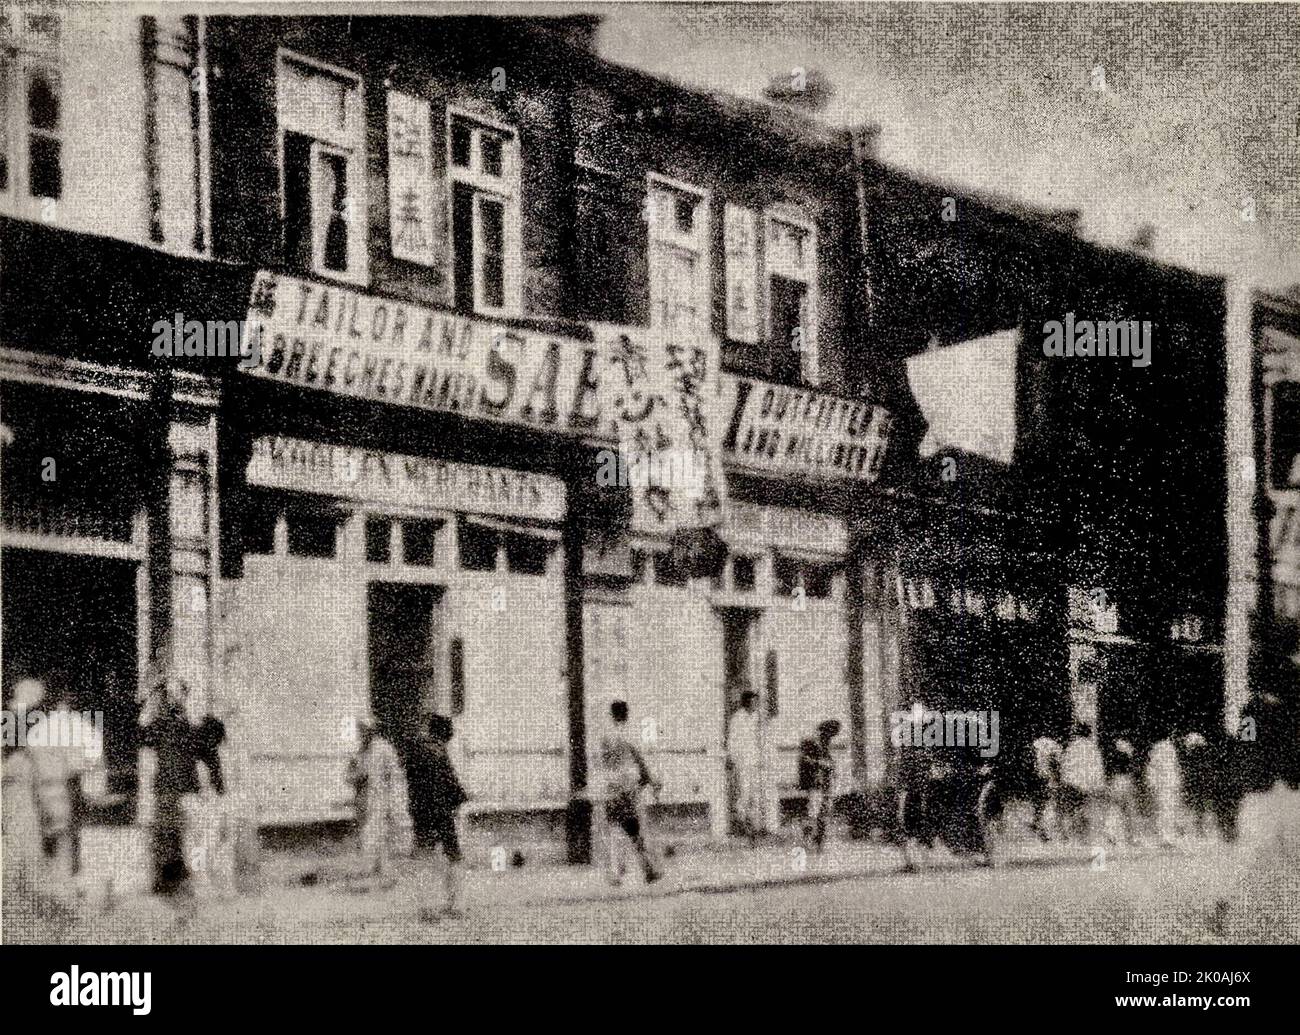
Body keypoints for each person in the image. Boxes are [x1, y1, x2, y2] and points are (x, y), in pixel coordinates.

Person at [402, 714, 469, 920]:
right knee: (453, 857)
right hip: (442, 813)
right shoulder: (440, 753)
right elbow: (452, 785)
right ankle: (455, 905)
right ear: (445, 734)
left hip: (422, 813)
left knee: (423, 858)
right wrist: (460, 798)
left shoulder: (414, 751)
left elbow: (410, 784)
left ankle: (426, 908)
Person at [597, 699, 662, 886]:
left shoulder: (606, 736)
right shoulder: (629, 734)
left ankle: (626, 871)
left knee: (617, 827)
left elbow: (602, 762)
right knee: (632, 828)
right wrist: (650, 780)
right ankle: (645, 868)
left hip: (612, 786)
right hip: (628, 786)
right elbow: (640, 760)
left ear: (612, 715)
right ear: (626, 715)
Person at [347, 713, 409, 886]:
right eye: (360, 730)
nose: (362, 733)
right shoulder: (358, 751)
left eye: (364, 730)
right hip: (361, 798)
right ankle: (378, 870)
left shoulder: (384, 748)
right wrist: (356, 776)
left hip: (379, 798)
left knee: (374, 834)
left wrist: (393, 799)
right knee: (367, 833)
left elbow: (396, 773)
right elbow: (349, 775)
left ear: (371, 730)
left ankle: (374, 871)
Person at [725, 689, 768, 843]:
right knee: (744, 793)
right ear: (747, 702)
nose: (756, 704)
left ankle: (754, 827)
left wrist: (762, 757)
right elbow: (732, 740)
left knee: (755, 794)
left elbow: (760, 740)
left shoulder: (756, 717)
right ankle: (744, 824)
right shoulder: (737, 718)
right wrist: (733, 758)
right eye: (753, 701)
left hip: (755, 761)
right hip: (742, 761)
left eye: (757, 701)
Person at [1059, 723, 1107, 842]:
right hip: (1088, 785)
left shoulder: (1072, 747)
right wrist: (1098, 785)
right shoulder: (1093, 748)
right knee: (1085, 811)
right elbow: (1098, 768)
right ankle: (1083, 837)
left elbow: (1066, 766)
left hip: (1072, 784)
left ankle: (1071, 836)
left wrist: (1065, 781)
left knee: (1071, 811)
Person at [798, 719, 841, 853]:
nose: (832, 737)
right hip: (816, 782)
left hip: (824, 782)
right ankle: (810, 839)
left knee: (823, 811)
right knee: (814, 811)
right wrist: (823, 764)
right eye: (831, 734)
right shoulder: (813, 742)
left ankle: (818, 841)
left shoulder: (823, 743)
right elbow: (806, 760)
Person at [1145, 736, 1184, 848]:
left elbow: (1174, 768)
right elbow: (1153, 769)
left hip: (1167, 786)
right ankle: (1165, 838)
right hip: (1164, 786)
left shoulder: (1163, 748)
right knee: (1165, 812)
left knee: (1168, 812)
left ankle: (1168, 837)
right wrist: (1153, 784)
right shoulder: (1161, 748)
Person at [1029, 734, 1064, 841]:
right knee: (1053, 804)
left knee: (1041, 805)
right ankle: (1055, 831)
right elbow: (1055, 764)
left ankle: (1039, 826)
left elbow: (1035, 763)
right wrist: (1056, 778)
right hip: (1049, 779)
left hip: (1040, 778)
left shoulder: (1037, 744)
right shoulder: (1054, 746)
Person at [1107, 738, 1141, 846]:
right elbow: (1132, 769)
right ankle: (1131, 837)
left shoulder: (1114, 759)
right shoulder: (1127, 759)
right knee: (1129, 811)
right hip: (1125, 782)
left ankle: (1112, 834)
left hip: (1116, 782)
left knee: (1115, 809)